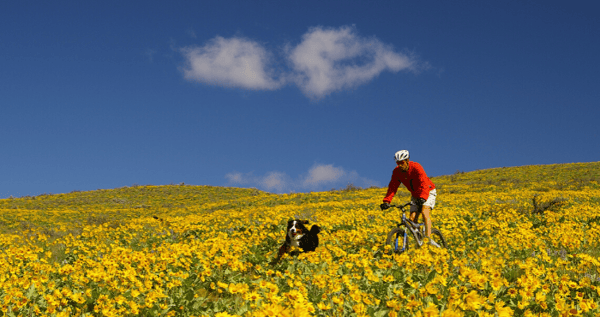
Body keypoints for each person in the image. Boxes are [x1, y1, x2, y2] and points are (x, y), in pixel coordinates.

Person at [380, 150, 440, 247]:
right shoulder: (396, 172)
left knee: (425, 212)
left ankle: (427, 240)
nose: (400, 165)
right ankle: (419, 242)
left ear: (407, 160)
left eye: (402, 162)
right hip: (415, 195)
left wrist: (423, 197)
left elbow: (424, 183)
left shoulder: (416, 167)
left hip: (428, 191)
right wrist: (386, 201)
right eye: (397, 163)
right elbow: (392, 187)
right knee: (412, 219)